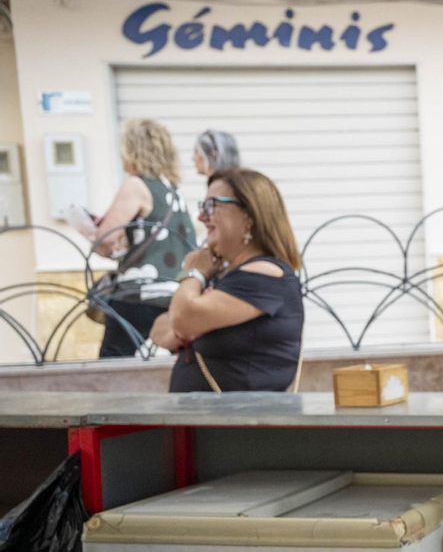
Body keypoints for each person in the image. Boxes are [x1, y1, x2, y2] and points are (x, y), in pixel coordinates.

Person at [152, 168, 305, 393]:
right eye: (203, 206)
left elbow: (181, 317)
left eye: (212, 205)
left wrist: (194, 272)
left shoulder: (265, 276)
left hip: (242, 415)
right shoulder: (227, 276)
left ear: (249, 214)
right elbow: (159, 329)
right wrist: (189, 321)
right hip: (210, 413)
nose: (202, 217)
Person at [81, 119, 197, 358]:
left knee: (115, 362)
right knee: (163, 362)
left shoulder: (136, 185)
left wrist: (89, 229)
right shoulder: (172, 189)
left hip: (139, 294)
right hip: (173, 292)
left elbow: (106, 239)